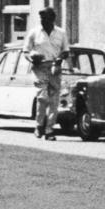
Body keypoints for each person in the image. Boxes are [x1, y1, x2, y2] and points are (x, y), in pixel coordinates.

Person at [22, 7, 67, 141]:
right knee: (42, 98)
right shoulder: (34, 32)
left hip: (55, 67)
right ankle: (39, 125)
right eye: (41, 19)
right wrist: (32, 58)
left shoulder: (61, 33)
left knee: (54, 100)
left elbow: (66, 51)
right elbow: (25, 51)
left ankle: (49, 130)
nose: (42, 21)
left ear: (52, 19)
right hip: (39, 67)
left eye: (45, 19)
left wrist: (60, 59)